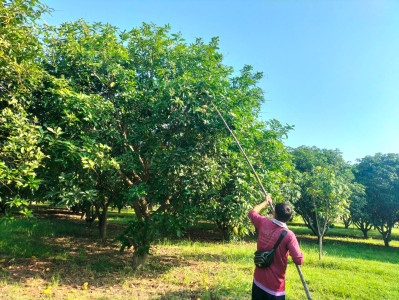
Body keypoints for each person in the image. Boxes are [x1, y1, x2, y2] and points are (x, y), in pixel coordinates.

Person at [248, 195, 304, 300]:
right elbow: (299, 260)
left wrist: (265, 202)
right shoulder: (289, 235)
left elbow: (252, 213)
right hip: (274, 288)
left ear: (274, 213)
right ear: (289, 218)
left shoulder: (263, 222)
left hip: (258, 281)